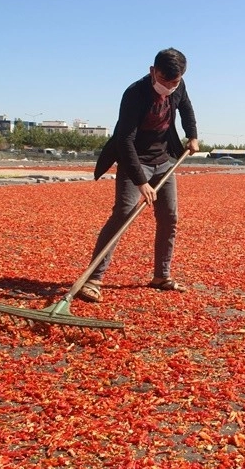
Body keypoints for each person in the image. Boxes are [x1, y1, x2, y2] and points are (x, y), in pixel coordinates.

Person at [80, 48, 199, 302]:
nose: (169, 87)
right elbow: (125, 140)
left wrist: (192, 135)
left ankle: (161, 276)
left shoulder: (179, 85)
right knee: (123, 214)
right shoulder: (134, 93)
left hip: (164, 159)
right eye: (164, 81)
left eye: (174, 82)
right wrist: (141, 182)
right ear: (152, 71)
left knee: (169, 217)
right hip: (134, 159)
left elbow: (186, 109)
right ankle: (93, 279)